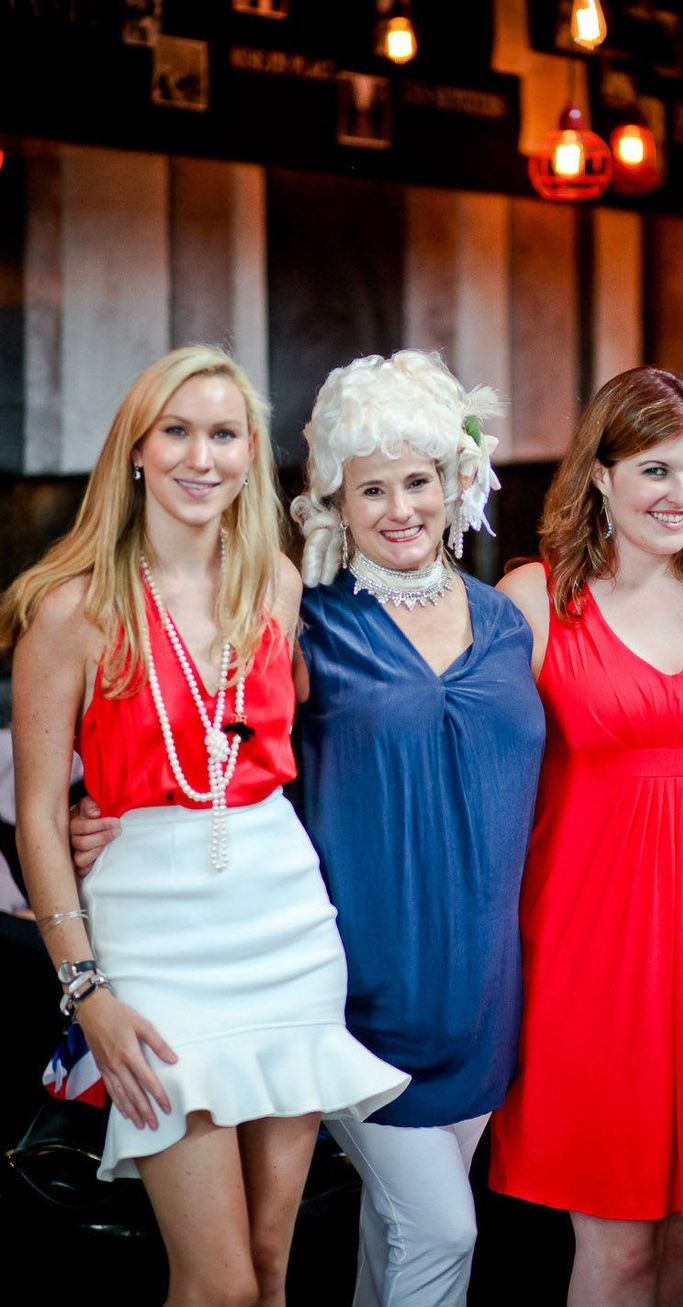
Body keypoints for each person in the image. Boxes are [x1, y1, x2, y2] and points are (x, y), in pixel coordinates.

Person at [73, 348, 546, 1307]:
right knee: (441, 1231)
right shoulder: (304, 619)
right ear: (333, 499)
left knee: (396, 1235)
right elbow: (214, 736)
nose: (400, 508)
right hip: (348, 989)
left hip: (485, 996)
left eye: (418, 481)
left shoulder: (508, 624)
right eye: (372, 488)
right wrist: (108, 810)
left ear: (457, 482)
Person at [1, 345, 408, 1307]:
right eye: (177, 431)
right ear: (137, 450)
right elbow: (39, 820)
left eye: (224, 434)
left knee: (269, 1267)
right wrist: (87, 992)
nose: (201, 456)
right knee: (217, 1280)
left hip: (285, 918)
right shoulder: (71, 610)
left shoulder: (275, 583)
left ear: (249, 454)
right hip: (152, 936)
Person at [490, 366, 683, 1307]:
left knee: (677, 1231)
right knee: (616, 1245)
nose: (681, 494)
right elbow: (459, 759)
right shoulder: (533, 598)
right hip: (592, 956)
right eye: (655, 470)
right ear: (601, 473)